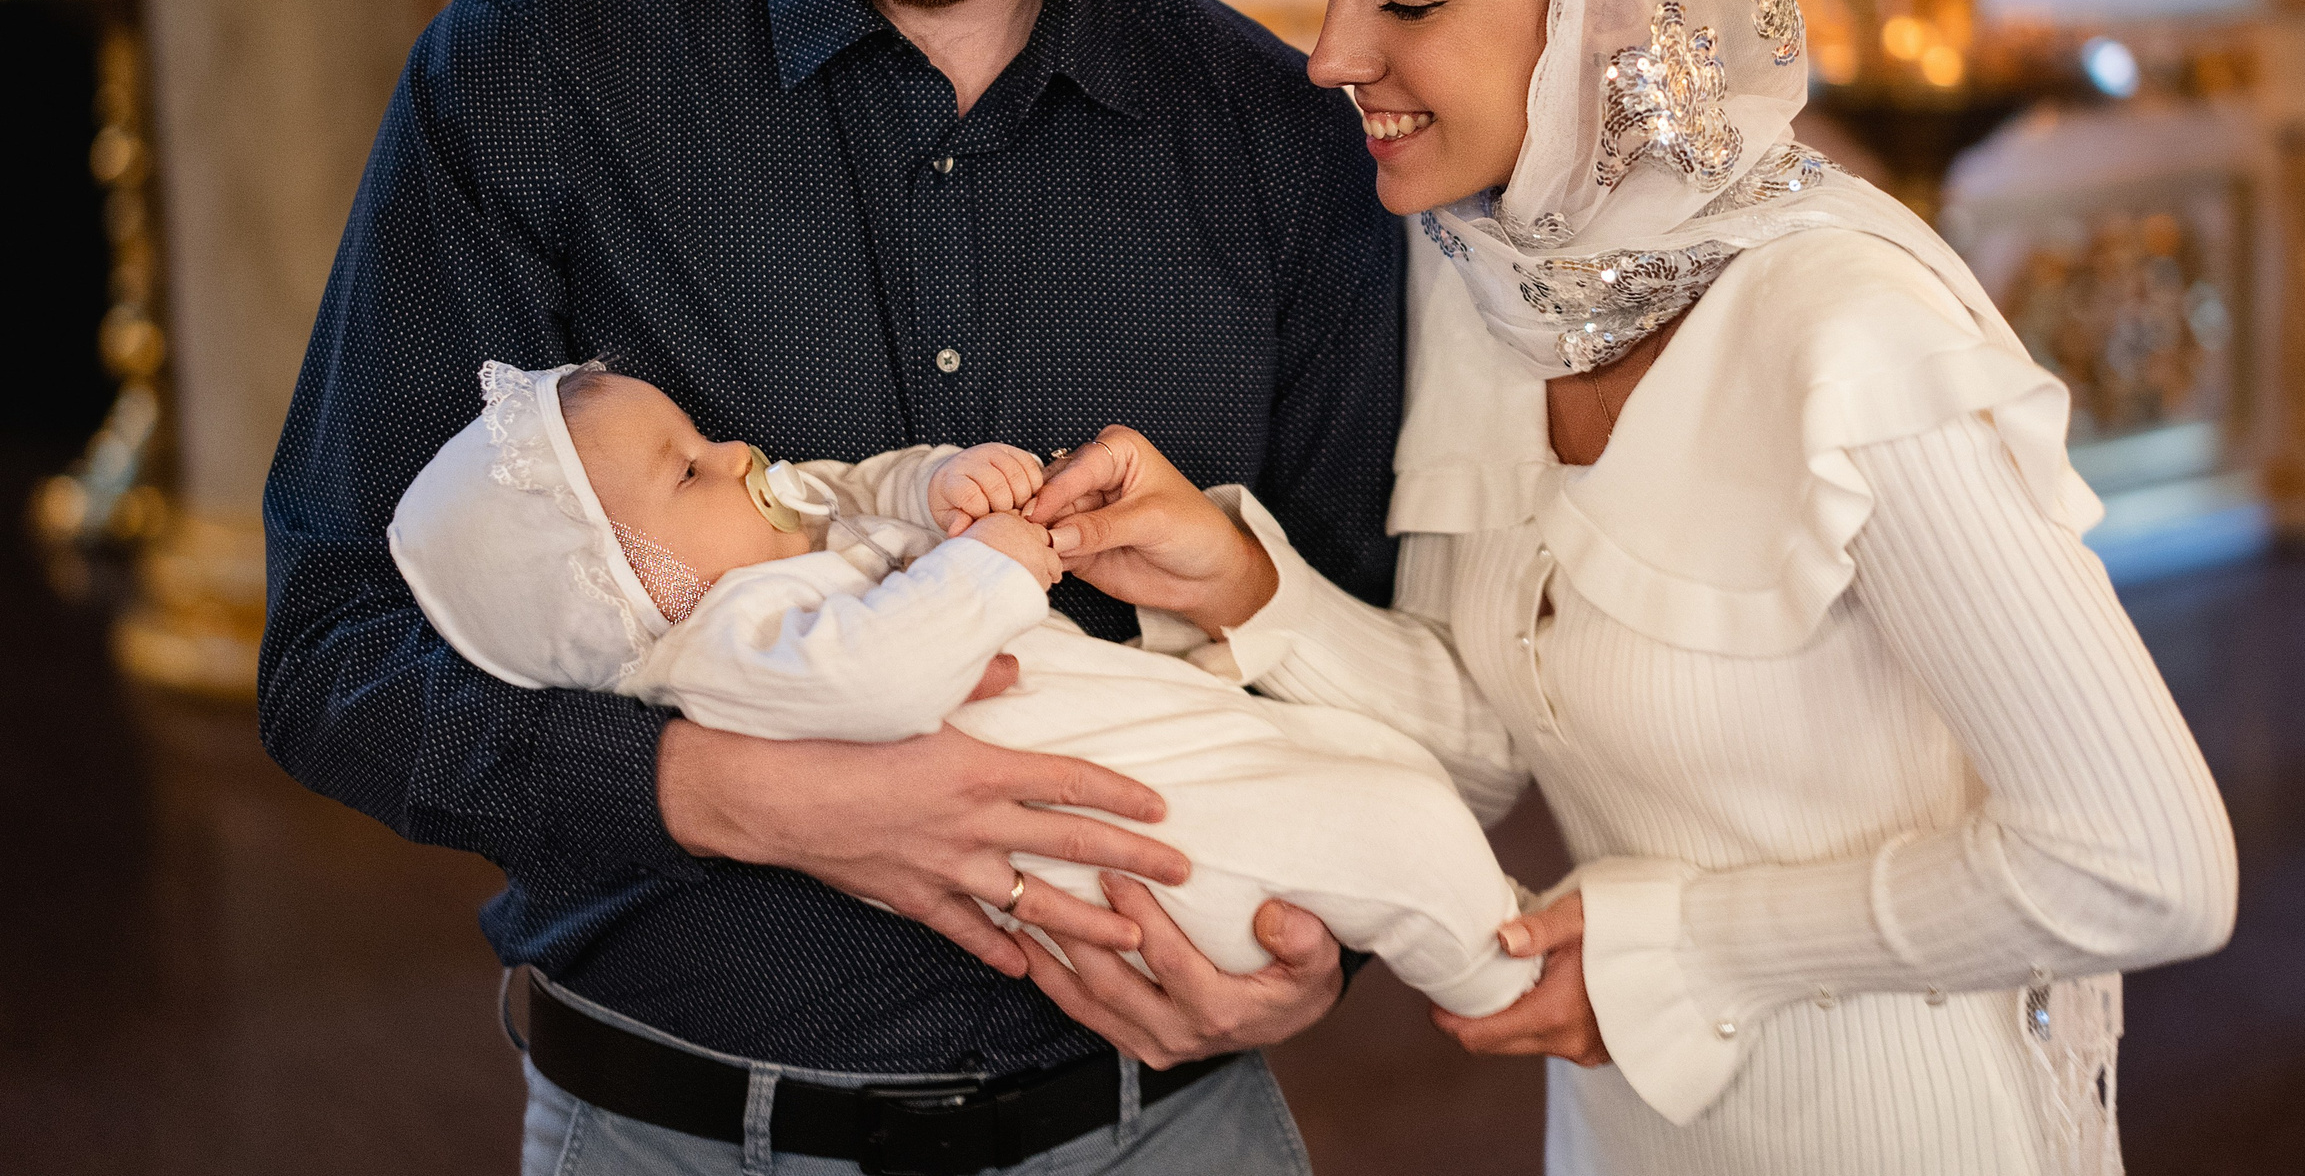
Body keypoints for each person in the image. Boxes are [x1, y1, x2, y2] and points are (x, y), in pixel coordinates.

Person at [258, 0, 1399, 1176]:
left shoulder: (1284, 146)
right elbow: (336, 652)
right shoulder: (534, 76)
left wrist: (1322, 968)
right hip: (668, 1130)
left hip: (1160, 1133)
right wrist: (754, 794)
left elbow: (1393, 661)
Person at [1023, 0, 2240, 1175]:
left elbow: (2148, 866)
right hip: (1631, 1129)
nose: (1332, 54)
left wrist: (1688, 943)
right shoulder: (1479, 281)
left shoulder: (1853, 333)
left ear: (1608, 1)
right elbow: (1484, 737)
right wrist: (1248, 586)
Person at [385, 358, 1537, 1015]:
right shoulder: (728, 644)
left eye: (706, 437)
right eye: (690, 469)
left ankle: (1496, 930)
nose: (738, 454)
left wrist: (934, 485)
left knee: (1375, 770)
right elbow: (879, 679)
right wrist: (991, 564)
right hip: (1142, 849)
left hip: (1157, 771)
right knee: (1398, 824)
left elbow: (851, 487)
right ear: (634, 594)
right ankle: (1512, 984)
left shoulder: (767, 548)